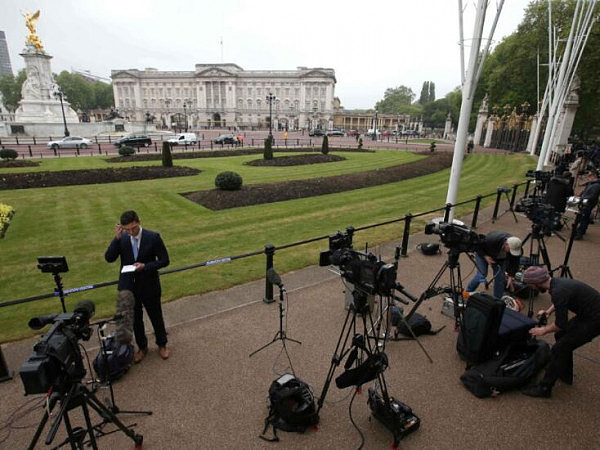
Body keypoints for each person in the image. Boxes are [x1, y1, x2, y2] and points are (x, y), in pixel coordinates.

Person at [520, 266, 600, 398]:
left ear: (535, 283)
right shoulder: (556, 283)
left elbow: (560, 324)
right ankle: (564, 373)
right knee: (560, 336)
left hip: (595, 320)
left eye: (530, 285)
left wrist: (543, 330)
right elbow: (560, 301)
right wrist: (548, 311)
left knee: (559, 348)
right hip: (589, 314)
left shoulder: (558, 291)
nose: (531, 288)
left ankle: (544, 388)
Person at [105, 210, 171, 363]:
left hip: (149, 285)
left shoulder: (153, 237)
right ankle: (142, 347)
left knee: (156, 316)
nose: (131, 232)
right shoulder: (122, 238)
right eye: (127, 229)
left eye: (133, 228)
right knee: (135, 320)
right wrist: (116, 238)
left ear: (139, 222)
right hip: (129, 286)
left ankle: (162, 345)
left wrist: (145, 266)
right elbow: (109, 258)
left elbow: (164, 260)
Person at [466, 231, 522, 299]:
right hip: (483, 254)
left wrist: (511, 275)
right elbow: (477, 246)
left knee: (500, 279)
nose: (511, 252)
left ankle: (497, 300)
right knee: (481, 275)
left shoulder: (516, 246)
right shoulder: (492, 240)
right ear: (506, 244)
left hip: (500, 259)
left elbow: (515, 261)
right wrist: (485, 256)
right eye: (511, 250)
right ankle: (466, 293)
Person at [574, 170, 600, 240]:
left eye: (589, 177)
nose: (587, 178)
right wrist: (580, 194)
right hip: (584, 202)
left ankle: (580, 233)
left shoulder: (597, 185)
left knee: (584, 218)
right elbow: (585, 190)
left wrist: (582, 197)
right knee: (583, 216)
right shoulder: (591, 183)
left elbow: (593, 196)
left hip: (589, 203)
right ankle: (581, 230)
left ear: (593, 177)